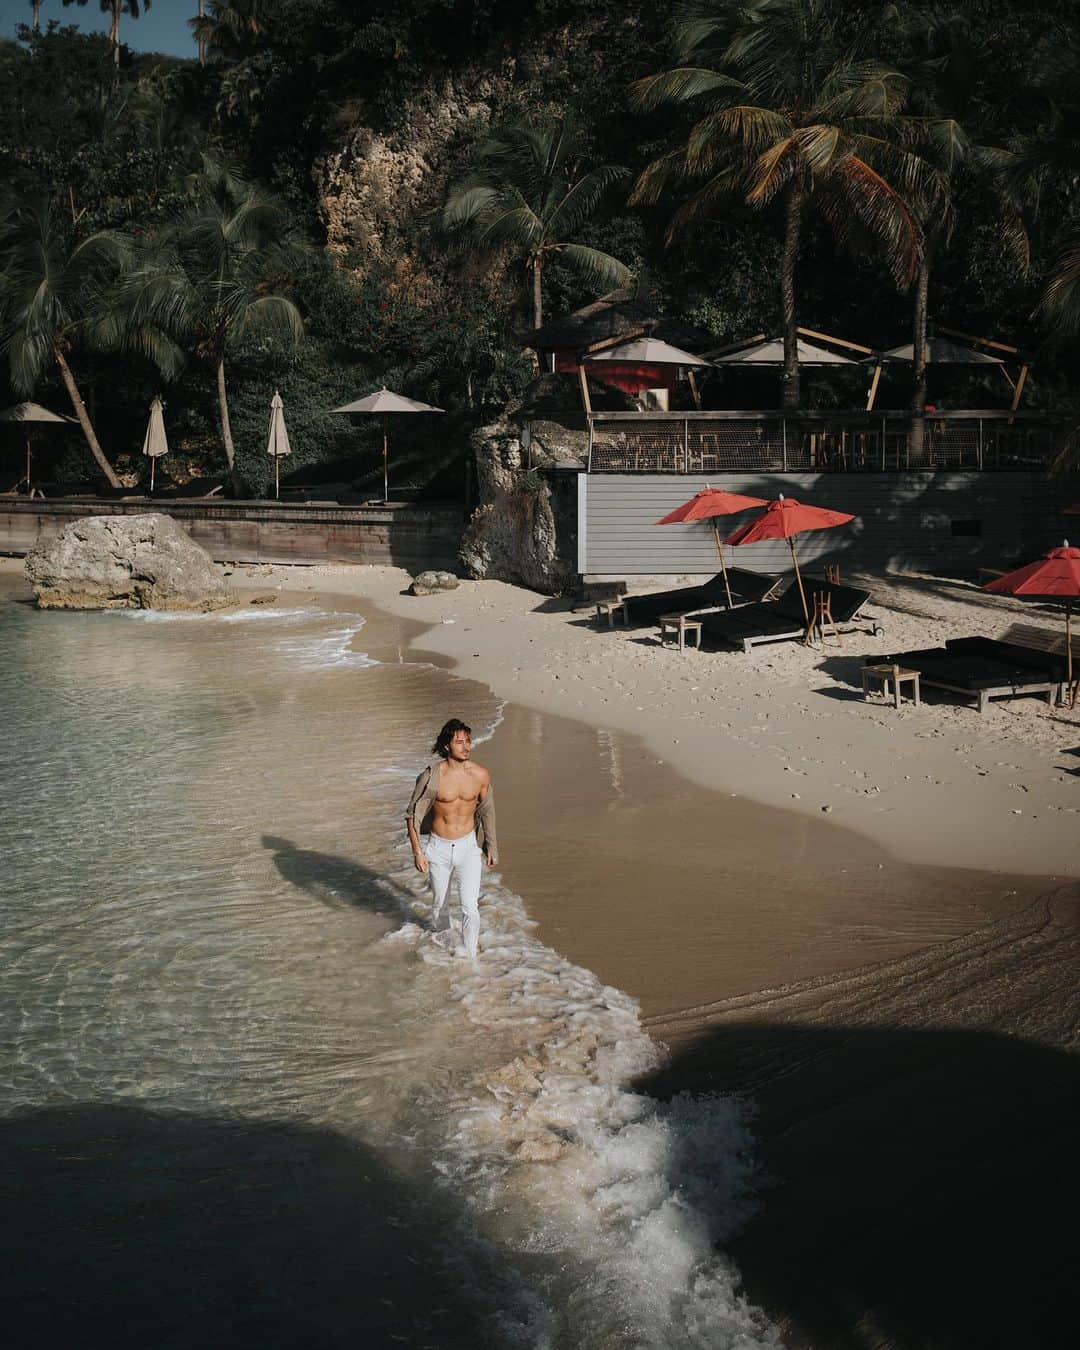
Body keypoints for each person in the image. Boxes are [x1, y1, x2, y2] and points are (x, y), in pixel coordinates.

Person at [405, 719, 498, 959]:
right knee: (440, 906)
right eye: (460, 742)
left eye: (468, 741)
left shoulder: (480, 775)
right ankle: (447, 950)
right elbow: (412, 815)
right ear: (447, 746)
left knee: (470, 907)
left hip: (468, 847)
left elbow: (487, 810)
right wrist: (418, 852)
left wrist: (491, 847)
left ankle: (470, 959)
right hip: (439, 848)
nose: (466, 746)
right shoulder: (432, 776)